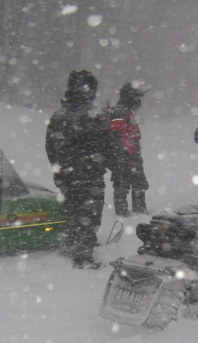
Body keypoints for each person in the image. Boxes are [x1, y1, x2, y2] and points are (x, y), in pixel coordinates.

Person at [45, 70, 115, 269]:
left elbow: (50, 147)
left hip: (66, 176)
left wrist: (59, 171)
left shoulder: (58, 115)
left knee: (72, 210)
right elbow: (107, 145)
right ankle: (83, 254)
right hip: (89, 176)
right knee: (89, 213)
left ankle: (71, 244)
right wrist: (103, 164)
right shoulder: (94, 115)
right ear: (89, 90)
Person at [108, 82, 149, 217]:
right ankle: (123, 215)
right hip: (125, 156)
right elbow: (116, 134)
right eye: (136, 98)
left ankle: (139, 211)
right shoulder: (120, 112)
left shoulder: (126, 111)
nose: (138, 101)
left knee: (139, 184)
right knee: (122, 186)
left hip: (132, 155)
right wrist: (121, 155)